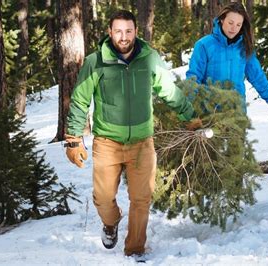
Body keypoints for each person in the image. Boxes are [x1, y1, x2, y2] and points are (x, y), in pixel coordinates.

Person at [64, 10, 202, 258]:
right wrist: (74, 139)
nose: (123, 36)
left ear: (136, 32)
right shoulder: (96, 63)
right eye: (118, 31)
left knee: (142, 199)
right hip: (107, 142)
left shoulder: (149, 59)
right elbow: (79, 101)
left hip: (142, 143)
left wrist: (189, 116)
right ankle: (111, 222)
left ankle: (135, 250)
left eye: (128, 31)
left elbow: (169, 91)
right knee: (103, 198)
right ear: (110, 32)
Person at [186, 2, 268, 118]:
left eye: (238, 25)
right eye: (230, 23)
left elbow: (256, 76)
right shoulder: (204, 45)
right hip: (209, 115)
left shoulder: (244, 47)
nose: (234, 28)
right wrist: (187, 108)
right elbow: (193, 78)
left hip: (237, 115)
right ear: (222, 20)